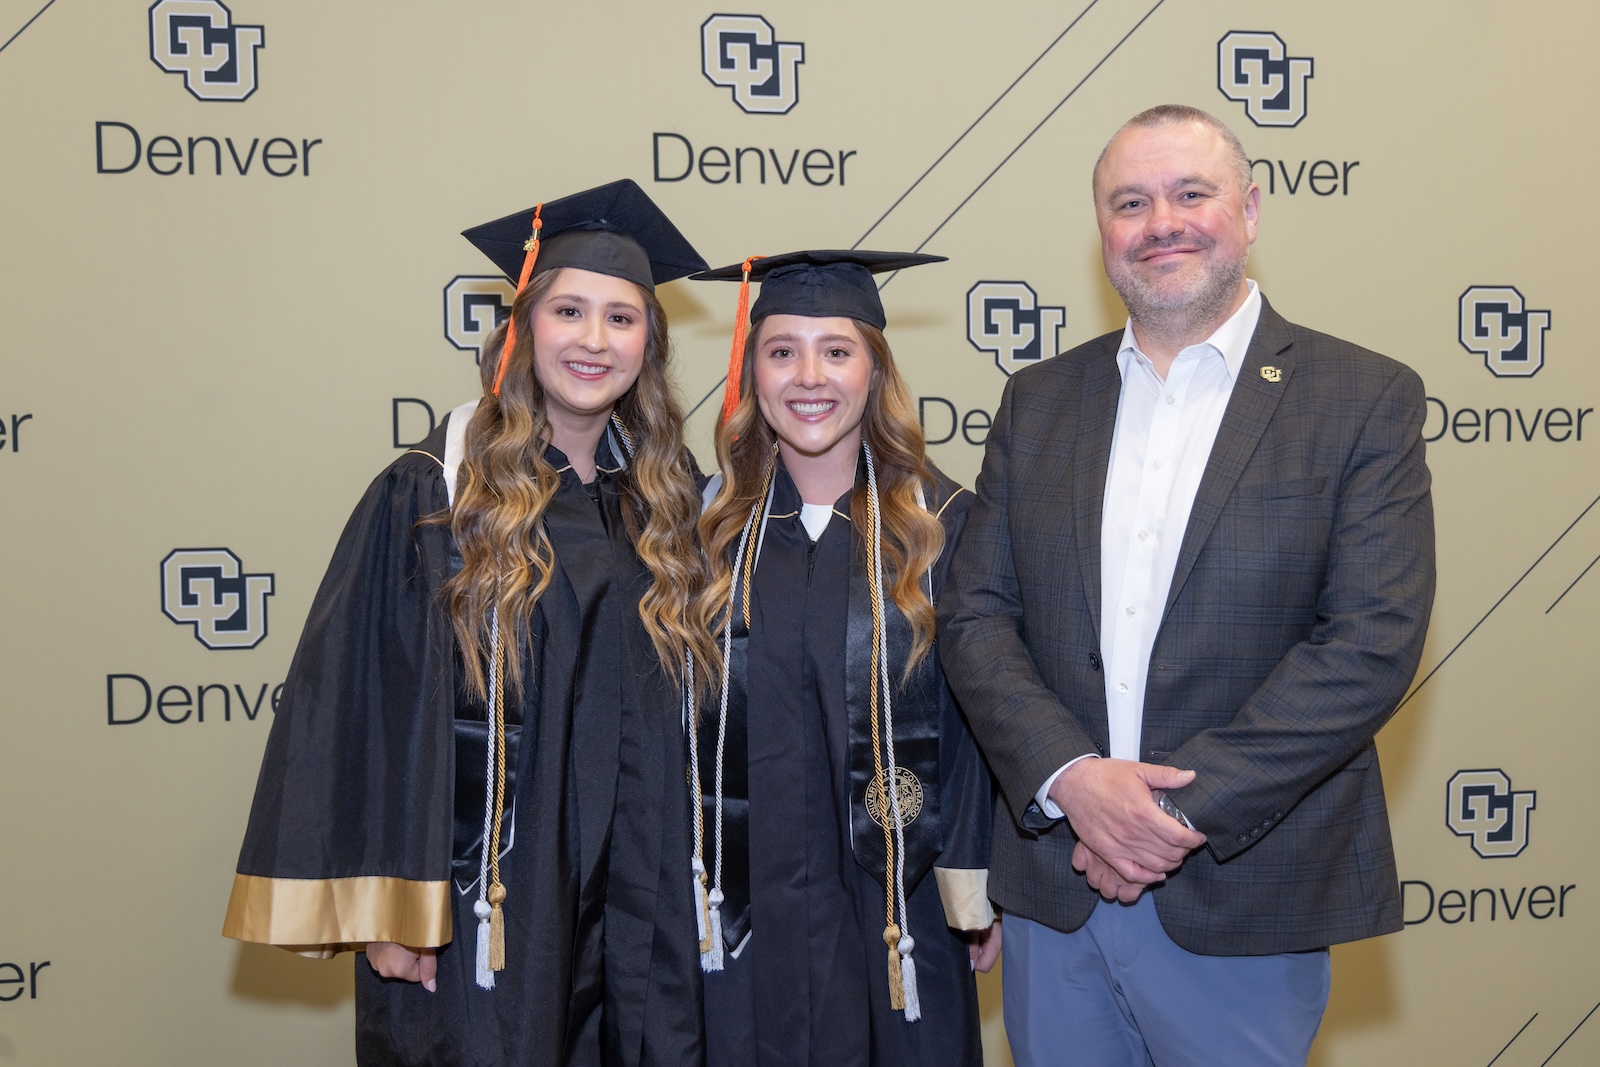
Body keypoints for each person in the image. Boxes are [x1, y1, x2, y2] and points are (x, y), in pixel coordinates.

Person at [939, 105, 1436, 1065]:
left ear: (1248, 210)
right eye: (1131, 202)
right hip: (1056, 883)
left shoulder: (1363, 397)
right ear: (1103, 233)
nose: (1161, 221)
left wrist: (1165, 814)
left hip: (1240, 888)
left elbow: (1369, 643)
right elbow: (977, 616)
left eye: (1190, 193)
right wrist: (1073, 780)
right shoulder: (1037, 401)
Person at [222, 179, 714, 1067]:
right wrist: (390, 910)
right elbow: (359, 700)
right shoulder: (434, 495)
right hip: (483, 897)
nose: (595, 341)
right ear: (522, 330)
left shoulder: (668, 504)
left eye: (622, 318)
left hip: (638, 892)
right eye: (569, 310)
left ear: (651, 342)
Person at [685, 250, 1002, 1067]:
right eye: (781, 349)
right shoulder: (707, 534)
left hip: (900, 894)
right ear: (752, 372)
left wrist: (975, 879)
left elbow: (983, 725)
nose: (808, 376)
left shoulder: (944, 528)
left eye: (837, 349)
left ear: (875, 369)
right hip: (746, 902)